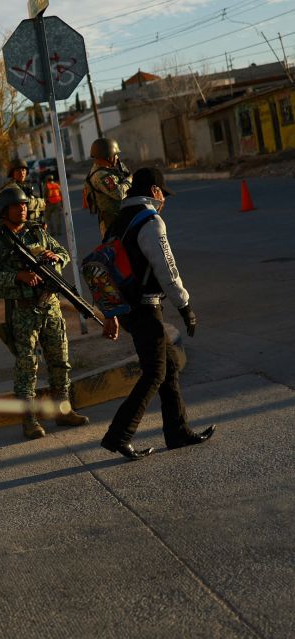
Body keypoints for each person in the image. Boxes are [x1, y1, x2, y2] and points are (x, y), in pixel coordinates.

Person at [98, 167, 215, 460]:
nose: (164, 200)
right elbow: (166, 267)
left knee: (169, 367)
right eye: (163, 193)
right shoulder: (150, 221)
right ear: (154, 191)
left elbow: (106, 269)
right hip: (145, 306)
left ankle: (178, 432)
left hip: (127, 307)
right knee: (155, 373)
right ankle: (118, 436)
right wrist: (185, 306)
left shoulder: (117, 222)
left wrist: (110, 311)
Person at [0, 186, 89, 439]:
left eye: (23, 204)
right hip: (23, 310)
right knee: (27, 365)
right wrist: (18, 276)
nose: (22, 208)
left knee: (60, 359)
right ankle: (29, 420)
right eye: (16, 205)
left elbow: (63, 253)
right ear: (3, 211)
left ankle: (63, 410)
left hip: (49, 305)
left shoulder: (36, 231)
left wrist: (55, 258)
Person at [83, 137, 131, 236]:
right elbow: (118, 193)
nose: (117, 157)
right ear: (108, 157)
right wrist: (129, 180)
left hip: (118, 219)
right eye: (115, 155)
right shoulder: (101, 175)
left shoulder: (107, 170)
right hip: (112, 223)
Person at [5, 158, 45, 225]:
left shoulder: (28, 185)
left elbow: (40, 206)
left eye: (23, 170)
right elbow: (26, 205)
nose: (21, 173)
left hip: (34, 223)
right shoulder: (12, 187)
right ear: (12, 173)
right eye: (18, 170)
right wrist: (40, 202)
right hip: (21, 225)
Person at [43, 174, 64, 242]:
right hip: (58, 203)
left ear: (47, 180)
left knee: (48, 218)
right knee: (58, 217)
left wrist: (44, 204)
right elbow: (61, 194)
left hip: (49, 204)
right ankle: (59, 231)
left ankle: (52, 232)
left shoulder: (46, 186)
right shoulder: (57, 185)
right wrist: (62, 204)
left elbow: (44, 195)